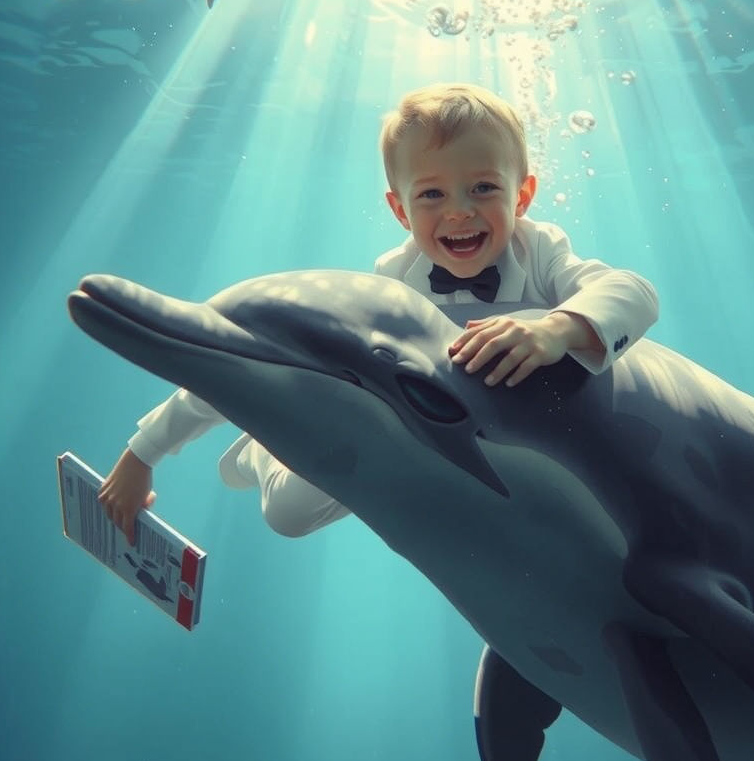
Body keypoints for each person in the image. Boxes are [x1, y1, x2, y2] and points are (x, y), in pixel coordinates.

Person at [99, 82, 659, 544]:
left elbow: (634, 292)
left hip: (512, 441)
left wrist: (556, 329)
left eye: (484, 187)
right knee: (288, 514)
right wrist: (142, 454)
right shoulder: (389, 286)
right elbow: (243, 354)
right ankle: (266, 450)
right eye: (432, 195)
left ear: (523, 196)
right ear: (399, 209)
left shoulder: (541, 251)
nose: (459, 212)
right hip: (415, 434)